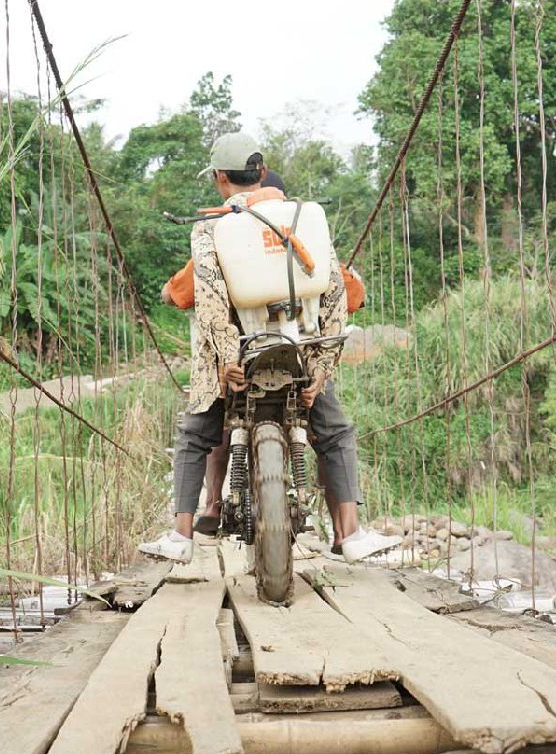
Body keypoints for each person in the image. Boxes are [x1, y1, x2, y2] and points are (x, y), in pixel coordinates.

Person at [140, 132, 397, 565]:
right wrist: (323, 365)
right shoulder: (304, 218)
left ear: (220, 178)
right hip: (301, 349)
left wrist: (227, 358)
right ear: (261, 171)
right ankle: (350, 533)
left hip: (238, 355)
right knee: (335, 432)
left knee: (195, 435)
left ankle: (183, 534)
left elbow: (209, 299)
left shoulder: (212, 228)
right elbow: (336, 292)